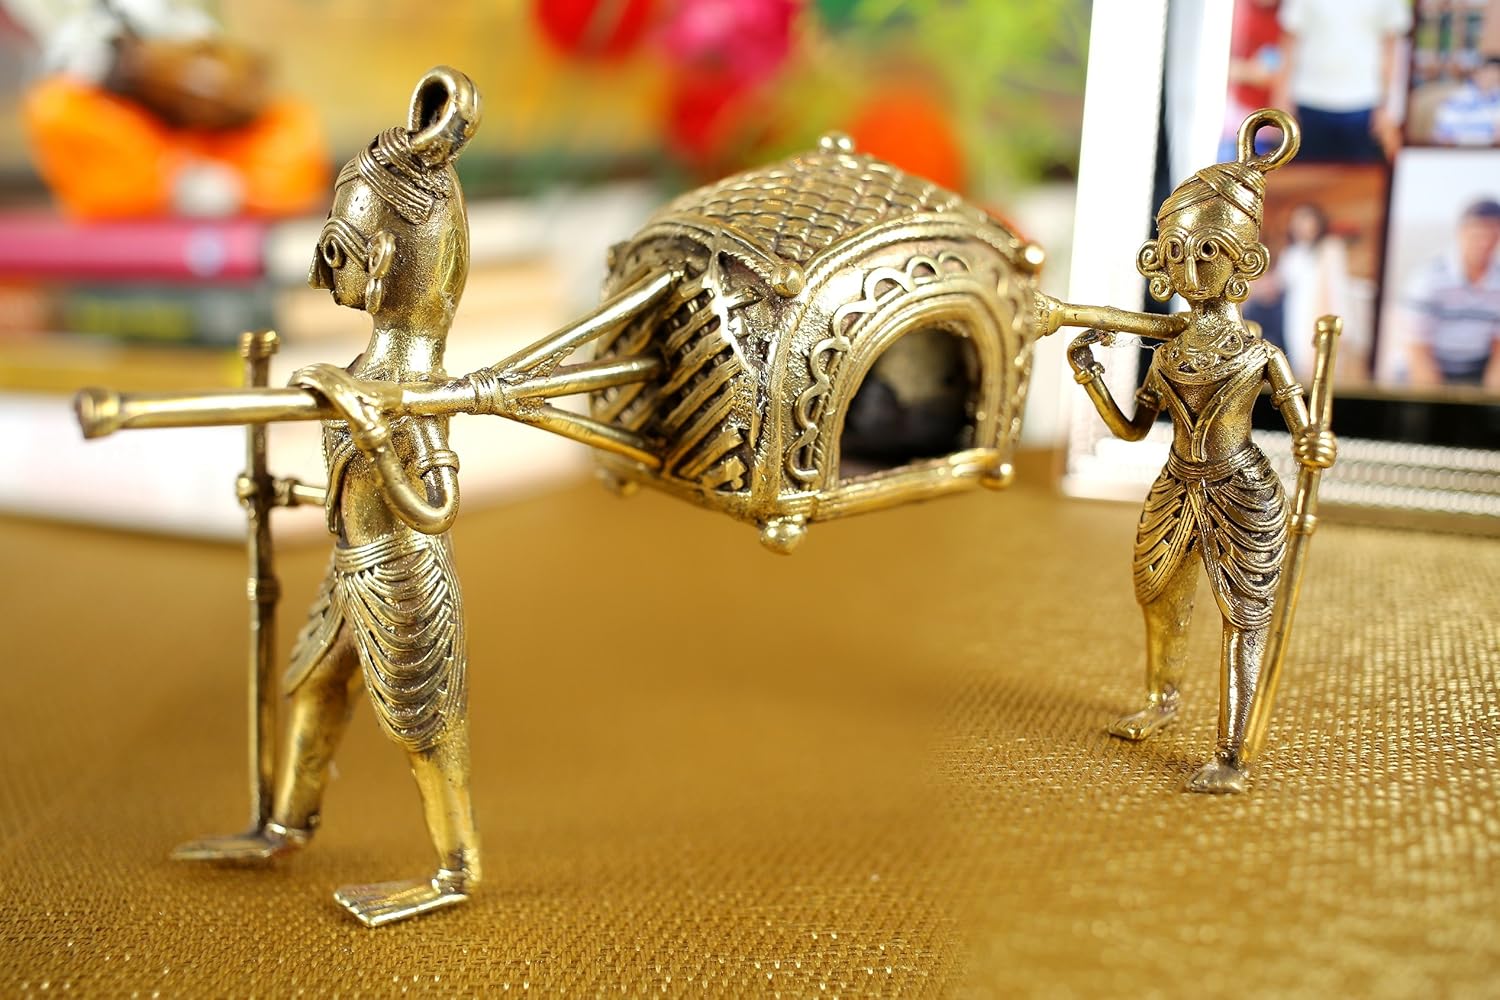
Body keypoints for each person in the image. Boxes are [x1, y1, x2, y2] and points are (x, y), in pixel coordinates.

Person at [171, 68, 484, 927]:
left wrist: (375, 427)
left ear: (392, 258)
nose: (321, 273)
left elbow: (435, 512)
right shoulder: (364, 374)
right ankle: (283, 825)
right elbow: (352, 494)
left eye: (338, 251)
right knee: (313, 688)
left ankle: (456, 867)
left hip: (404, 579)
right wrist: (282, 489)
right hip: (351, 571)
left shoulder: (417, 390)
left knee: (423, 728)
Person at [1035, 110, 1336, 794]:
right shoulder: (1169, 353)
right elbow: (1131, 431)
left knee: (1243, 617)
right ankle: (1161, 699)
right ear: (1159, 261)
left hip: (1241, 489)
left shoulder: (1261, 353)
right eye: (1176, 253)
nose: (1190, 268)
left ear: (1244, 263)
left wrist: (1315, 440)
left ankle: (1231, 753)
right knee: (1157, 592)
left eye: (1208, 252)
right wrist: (1089, 377)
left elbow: (1304, 427)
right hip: (1176, 484)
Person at [1274, 0, 1412, 162]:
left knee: (1362, 176)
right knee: (1306, 174)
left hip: (1365, 105)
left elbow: (1393, 51)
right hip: (1308, 101)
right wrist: (1280, 105)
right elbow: (1288, 46)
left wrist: (1390, 110)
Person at [1403, 198, 1500, 389]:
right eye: (1478, 235)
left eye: (1493, 235)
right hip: (1433, 365)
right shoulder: (1428, 278)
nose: (1485, 243)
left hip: (1479, 368)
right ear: (1461, 232)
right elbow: (1418, 350)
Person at [1277, 203, 1353, 380]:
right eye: (1297, 221)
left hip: (1322, 315)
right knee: (1300, 365)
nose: (1302, 226)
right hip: (1296, 317)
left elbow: (1336, 289)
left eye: (1306, 220)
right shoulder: (1292, 253)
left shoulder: (1330, 248)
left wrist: (1338, 322)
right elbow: (1280, 282)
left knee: (1324, 369)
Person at [1433, 58, 1500, 146]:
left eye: (1495, 76)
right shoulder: (1456, 99)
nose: (1490, 78)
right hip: (1457, 150)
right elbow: (1441, 133)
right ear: (1476, 74)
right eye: (1487, 73)